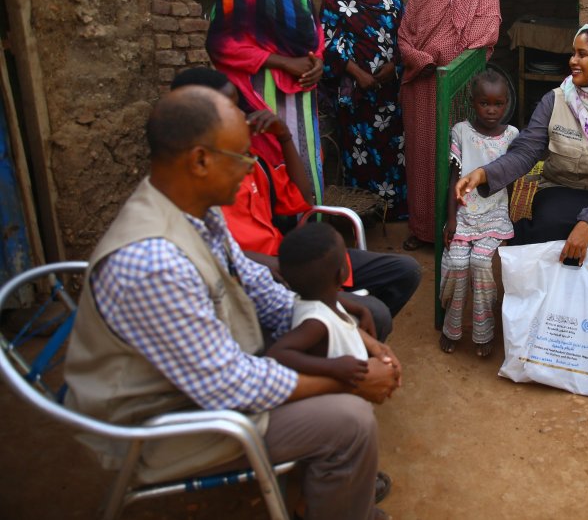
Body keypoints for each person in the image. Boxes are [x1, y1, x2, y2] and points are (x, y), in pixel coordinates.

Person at [63, 87, 389, 520]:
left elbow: (261, 289)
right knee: (351, 421)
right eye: (241, 156)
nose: (252, 167)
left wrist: (342, 323)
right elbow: (230, 387)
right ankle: (343, 491)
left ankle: (334, 483)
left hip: (204, 380)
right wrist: (351, 379)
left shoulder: (195, 210)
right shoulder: (154, 263)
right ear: (200, 160)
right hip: (162, 422)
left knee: (340, 340)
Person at [169, 67, 420, 342]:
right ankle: (339, 347)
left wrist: (285, 137)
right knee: (374, 313)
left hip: (290, 262)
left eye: (239, 106)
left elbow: (304, 200)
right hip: (266, 279)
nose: (242, 115)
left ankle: (341, 343)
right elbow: (218, 256)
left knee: (404, 272)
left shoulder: (250, 162)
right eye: (231, 109)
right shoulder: (187, 193)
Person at [456, 24, 588, 264]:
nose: (572, 61)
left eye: (582, 54)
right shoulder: (556, 100)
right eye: (573, 53)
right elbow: (526, 152)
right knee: (548, 225)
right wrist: (483, 174)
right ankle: (556, 298)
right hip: (562, 189)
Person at [206, 0, 326, 204]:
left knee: (305, 167)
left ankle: (308, 232)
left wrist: (317, 63)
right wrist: (283, 63)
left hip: (301, 97)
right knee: (272, 173)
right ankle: (274, 242)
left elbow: (315, 33)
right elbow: (223, 42)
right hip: (263, 92)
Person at [397, 0, 501, 250]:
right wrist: (422, 60)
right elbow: (405, 33)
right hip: (422, 85)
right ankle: (422, 228)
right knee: (422, 156)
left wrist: (447, 64)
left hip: (457, 86)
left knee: (455, 157)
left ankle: (455, 230)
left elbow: (484, 35)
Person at [320, 0, 407, 217]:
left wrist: (393, 66)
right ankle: (363, 214)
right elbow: (327, 42)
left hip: (388, 92)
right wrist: (358, 73)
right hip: (355, 94)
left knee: (392, 150)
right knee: (359, 153)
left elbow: (404, 36)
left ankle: (393, 211)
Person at [267, 222, 401, 396]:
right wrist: (333, 367)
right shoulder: (315, 322)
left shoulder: (318, 296)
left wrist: (361, 310)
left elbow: (335, 301)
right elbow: (278, 353)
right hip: (341, 393)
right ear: (341, 274)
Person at [439, 70, 518, 357]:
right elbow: (453, 179)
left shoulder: (512, 136)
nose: (492, 110)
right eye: (485, 103)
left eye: (498, 104)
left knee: (481, 263)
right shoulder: (461, 131)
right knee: (458, 264)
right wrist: (450, 220)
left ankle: (484, 333)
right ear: (473, 103)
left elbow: (514, 178)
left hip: (495, 213)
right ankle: (452, 328)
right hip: (463, 213)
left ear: (507, 103)